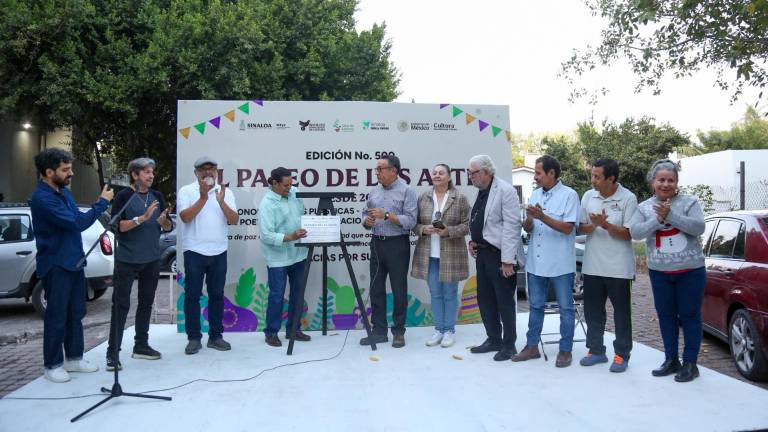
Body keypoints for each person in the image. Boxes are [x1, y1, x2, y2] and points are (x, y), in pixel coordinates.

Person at [30, 148, 114, 383]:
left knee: (76, 313)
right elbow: (76, 223)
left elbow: (76, 219)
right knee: (57, 316)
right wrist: (101, 203)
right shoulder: (42, 198)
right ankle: (52, 365)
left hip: (74, 262)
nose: (71, 173)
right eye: (65, 169)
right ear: (49, 172)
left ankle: (74, 358)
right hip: (56, 265)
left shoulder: (64, 193)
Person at [629, 159, 706, 382]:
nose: (665, 184)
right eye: (661, 180)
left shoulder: (689, 202)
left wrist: (671, 216)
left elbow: (699, 227)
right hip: (660, 272)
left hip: (690, 271)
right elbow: (636, 232)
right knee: (666, 316)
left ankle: (690, 363)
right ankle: (671, 359)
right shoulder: (643, 207)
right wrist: (658, 219)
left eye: (670, 180)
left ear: (676, 182)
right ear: (653, 182)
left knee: (690, 315)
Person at [106, 158, 174, 371]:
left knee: (146, 304)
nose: (151, 175)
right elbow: (117, 227)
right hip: (126, 260)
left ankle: (141, 345)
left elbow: (167, 226)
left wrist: (164, 222)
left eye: (152, 172)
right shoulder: (124, 197)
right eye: (146, 172)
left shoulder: (157, 196)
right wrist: (141, 219)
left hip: (151, 260)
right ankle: (112, 353)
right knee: (121, 306)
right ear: (134, 175)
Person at [512, 155, 580, 368]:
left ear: (552, 173)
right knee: (535, 306)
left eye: (538, 173)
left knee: (565, 308)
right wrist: (528, 220)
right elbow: (530, 228)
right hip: (536, 262)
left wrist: (542, 217)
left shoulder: (569, 195)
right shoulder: (535, 194)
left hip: (560, 263)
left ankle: (565, 350)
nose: (535, 177)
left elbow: (568, 228)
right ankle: (532, 346)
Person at [577, 159, 637, 373]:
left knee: (621, 314)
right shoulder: (588, 196)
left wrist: (605, 225)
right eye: (592, 175)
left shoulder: (628, 198)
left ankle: (622, 354)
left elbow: (629, 234)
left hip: (619, 268)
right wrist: (593, 225)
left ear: (611, 178)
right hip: (592, 265)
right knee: (593, 312)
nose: (593, 180)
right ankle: (596, 351)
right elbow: (580, 228)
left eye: (597, 177)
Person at [177, 156, 238, 354]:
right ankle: (194, 338)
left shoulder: (225, 192)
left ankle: (215, 336)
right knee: (192, 296)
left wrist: (221, 202)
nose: (208, 172)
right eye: (203, 169)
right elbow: (185, 217)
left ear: (216, 172)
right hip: (194, 252)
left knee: (217, 295)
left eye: (211, 168)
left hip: (219, 251)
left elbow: (234, 220)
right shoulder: (187, 191)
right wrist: (203, 197)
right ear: (196, 173)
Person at [467, 155, 525, 361]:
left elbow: (512, 226)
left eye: (473, 172)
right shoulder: (482, 191)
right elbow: (482, 222)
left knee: (504, 302)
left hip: (500, 256)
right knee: (485, 300)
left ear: (486, 172)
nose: (470, 177)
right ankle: (493, 339)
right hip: (482, 254)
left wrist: (508, 261)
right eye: (469, 173)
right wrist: (473, 240)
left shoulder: (505, 191)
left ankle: (509, 345)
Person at [360, 154, 417, 348]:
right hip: (377, 243)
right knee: (376, 288)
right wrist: (367, 221)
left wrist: (386, 215)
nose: (377, 172)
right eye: (376, 169)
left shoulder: (407, 191)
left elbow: (411, 221)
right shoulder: (374, 191)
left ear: (393, 171)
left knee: (399, 289)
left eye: (380, 169)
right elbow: (365, 213)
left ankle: (399, 332)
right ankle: (379, 331)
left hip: (397, 244)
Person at [411, 163, 470, 348]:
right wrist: (423, 229)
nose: (437, 175)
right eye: (434, 173)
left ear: (449, 177)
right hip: (429, 256)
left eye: (441, 173)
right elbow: (414, 224)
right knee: (435, 294)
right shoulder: (423, 198)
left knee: (450, 294)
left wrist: (448, 231)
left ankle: (449, 331)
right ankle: (438, 329)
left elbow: (467, 225)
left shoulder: (459, 198)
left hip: (451, 255)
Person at [258, 167, 312, 347]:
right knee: (277, 296)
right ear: (274, 183)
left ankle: (293, 330)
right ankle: (271, 333)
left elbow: (302, 214)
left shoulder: (295, 193)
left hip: (299, 254)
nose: (290, 188)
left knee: (298, 293)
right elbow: (266, 235)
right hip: (278, 258)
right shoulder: (266, 204)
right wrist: (291, 237)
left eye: (291, 184)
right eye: (286, 185)